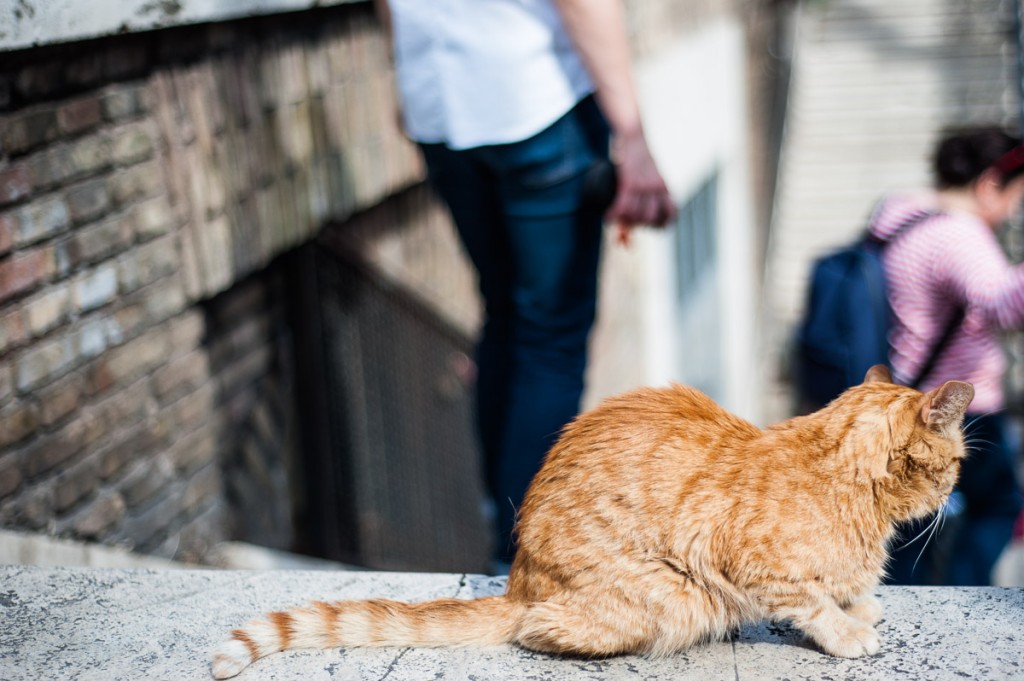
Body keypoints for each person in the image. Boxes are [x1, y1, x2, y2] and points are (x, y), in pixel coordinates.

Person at [374, 0, 676, 570]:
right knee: (550, 339)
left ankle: (501, 523)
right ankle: (525, 553)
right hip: (531, 104)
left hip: (439, 109)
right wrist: (631, 137)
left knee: (507, 318)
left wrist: (408, 74)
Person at [869, 126, 1024, 585]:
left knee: (911, 518)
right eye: (1015, 194)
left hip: (907, 392)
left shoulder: (902, 212)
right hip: (958, 408)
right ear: (990, 184)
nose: (1014, 209)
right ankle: (959, 601)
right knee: (996, 506)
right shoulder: (958, 235)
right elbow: (1005, 306)